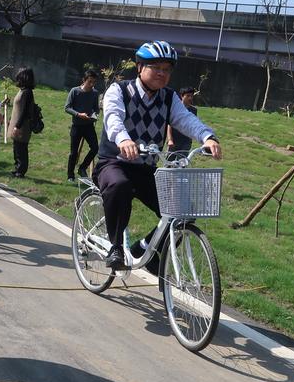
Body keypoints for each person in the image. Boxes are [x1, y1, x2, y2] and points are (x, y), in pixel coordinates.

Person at [94, 41, 222, 271]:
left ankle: (147, 251)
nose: (162, 73)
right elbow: (112, 117)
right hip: (114, 162)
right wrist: (123, 139)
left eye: (167, 69)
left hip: (146, 169)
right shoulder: (119, 90)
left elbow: (186, 120)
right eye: (156, 67)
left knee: (183, 211)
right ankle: (115, 247)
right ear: (139, 66)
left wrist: (207, 136)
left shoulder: (169, 97)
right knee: (119, 185)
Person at [65, 68, 100, 182]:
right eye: (90, 81)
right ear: (84, 80)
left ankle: (82, 168)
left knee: (95, 148)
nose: (92, 84)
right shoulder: (74, 91)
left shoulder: (95, 93)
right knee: (73, 152)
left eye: (94, 82)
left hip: (89, 125)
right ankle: (70, 175)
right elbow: (67, 108)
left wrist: (94, 115)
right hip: (77, 125)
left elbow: (96, 108)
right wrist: (78, 114)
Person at [8, 67, 35, 178]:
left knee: (21, 148)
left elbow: (24, 112)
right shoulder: (23, 90)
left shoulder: (27, 92)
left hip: (22, 126)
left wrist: (17, 126)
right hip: (18, 124)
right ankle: (17, 168)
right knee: (16, 147)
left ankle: (21, 170)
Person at [167, 86, 198, 156]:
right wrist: (170, 140)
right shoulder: (175, 108)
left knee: (182, 163)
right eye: (188, 96)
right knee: (169, 164)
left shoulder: (194, 110)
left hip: (186, 142)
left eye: (191, 96)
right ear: (182, 96)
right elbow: (169, 125)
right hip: (174, 141)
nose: (190, 98)